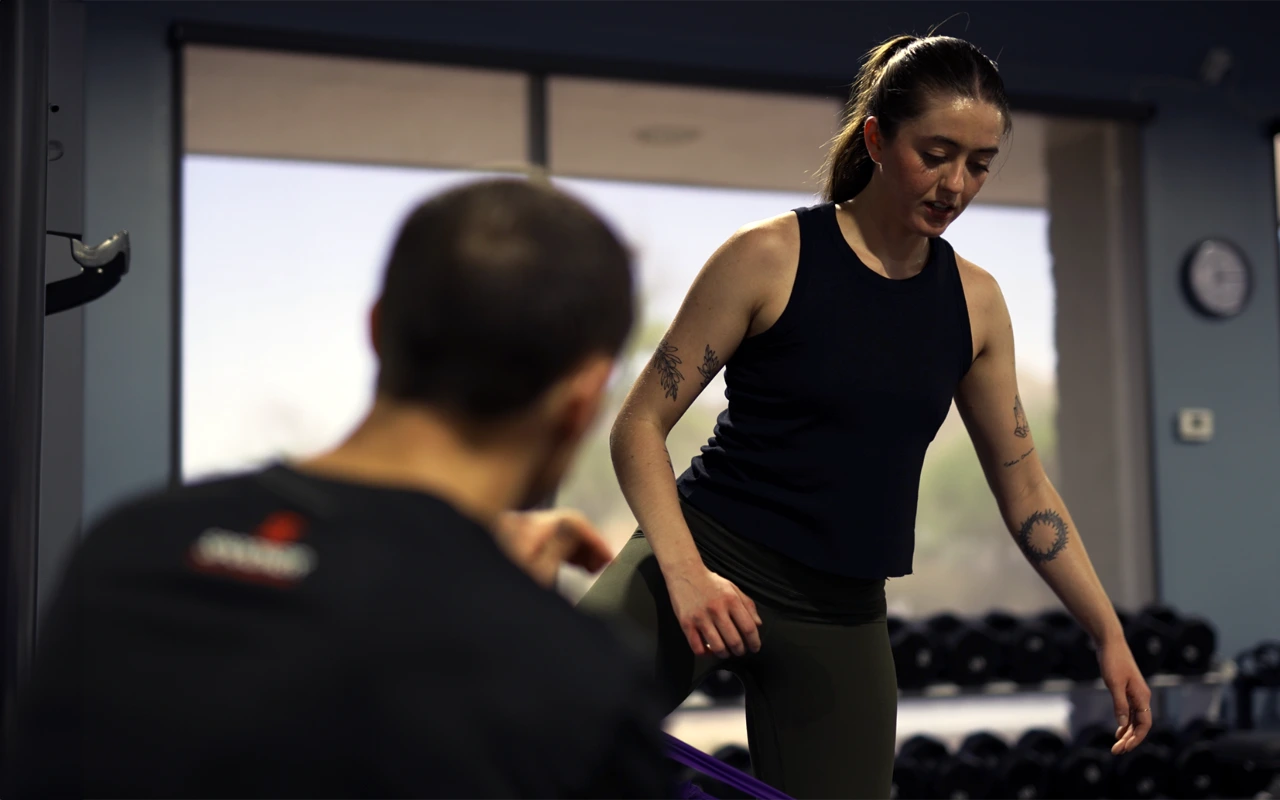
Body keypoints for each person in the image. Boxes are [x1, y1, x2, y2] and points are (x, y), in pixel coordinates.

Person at [578, 33, 1154, 798]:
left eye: (979, 165)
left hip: (839, 610)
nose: (956, 184)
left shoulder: (974, 304)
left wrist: (1107, 631)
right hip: (706, 555)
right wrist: (686, 575)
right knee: (524, 743)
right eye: (937, 153)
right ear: (878, 138)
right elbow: (639, 423)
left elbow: (1028, 492)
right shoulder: (769, 257)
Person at [14, 179, 672, 799]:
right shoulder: (572, 675)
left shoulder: (129, 546)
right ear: (583, 399)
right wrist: (496, 600)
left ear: (378, 328)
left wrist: (466, 575)